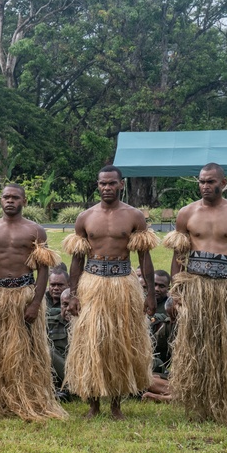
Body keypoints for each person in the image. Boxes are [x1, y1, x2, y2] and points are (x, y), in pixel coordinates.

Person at [163, 162, 227, 424]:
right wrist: (176, 293)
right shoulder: (186, 214)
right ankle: (199, 406)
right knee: (197, 347)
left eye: (211, 181)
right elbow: (178, 257)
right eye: (201, 181)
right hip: (196, 289)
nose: (205, 186)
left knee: (226, 349)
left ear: (224, 182)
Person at [62, 166, 157, 420]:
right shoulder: (85, 217)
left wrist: (149, 294)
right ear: (97, 185)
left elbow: (144, 258)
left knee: (119, 343)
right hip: (92, 285)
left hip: (122, 284)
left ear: (121, 185)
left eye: (111, 183)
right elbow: (76, 261)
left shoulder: (134, 216)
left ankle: (116, 404)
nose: (107, 188)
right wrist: (73, 294)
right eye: (103, 184)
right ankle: (93, 404)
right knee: (91, 342)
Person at [0, 184, 66, 421]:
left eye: (15, 197)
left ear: (24, 201)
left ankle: (28, 395)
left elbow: (43, 270)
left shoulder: (35, 231)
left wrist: (35, 303)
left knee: (28, 350)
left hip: (25, 295)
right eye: (6, 197)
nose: (10, 201)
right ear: (0, 200)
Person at [45, 265, 70, 388]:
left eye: (60, 285)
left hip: (66, 361)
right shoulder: (40, 302)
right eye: (53, 285)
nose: (55, 288)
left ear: (68, 285)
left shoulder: (73, 303)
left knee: (46, 350)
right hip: (47, 362)